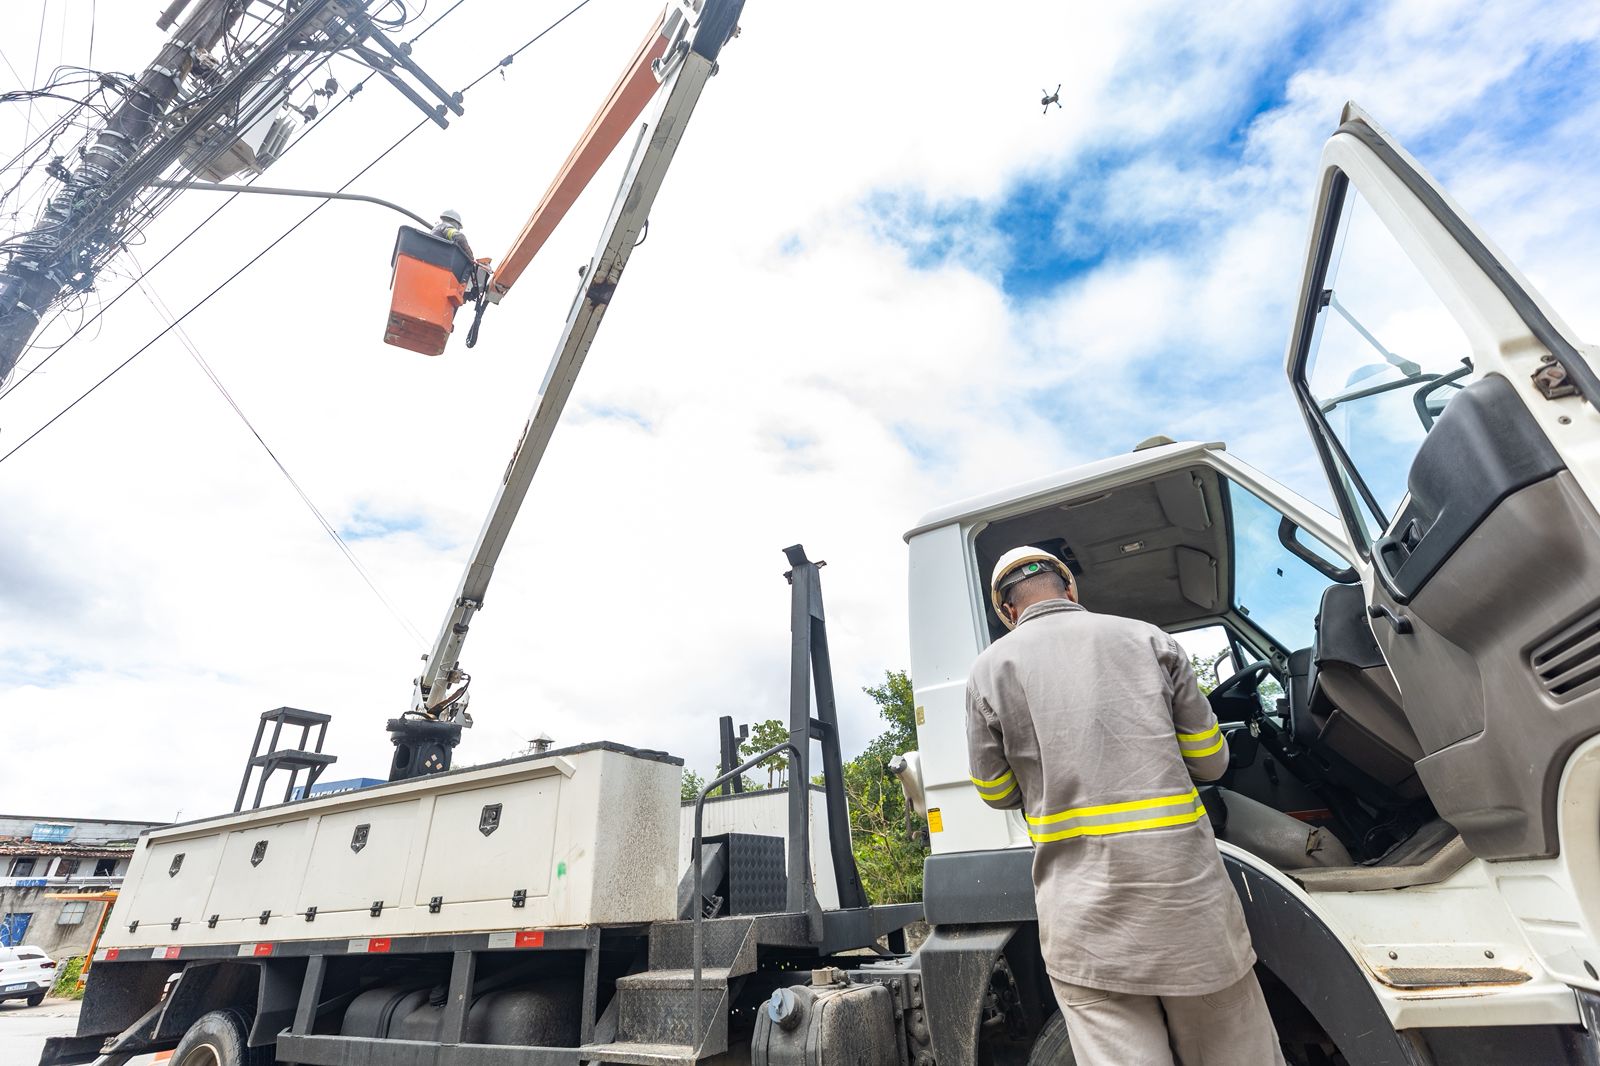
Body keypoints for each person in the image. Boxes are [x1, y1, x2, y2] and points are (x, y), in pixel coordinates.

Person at [965, 546, 1285, 1066]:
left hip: (1084, 924)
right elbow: (1211, 763)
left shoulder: (988, 670)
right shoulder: (1148, 638)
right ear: (1070, 589)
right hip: (1188, 910)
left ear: (1007, 611)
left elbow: (997, 793)